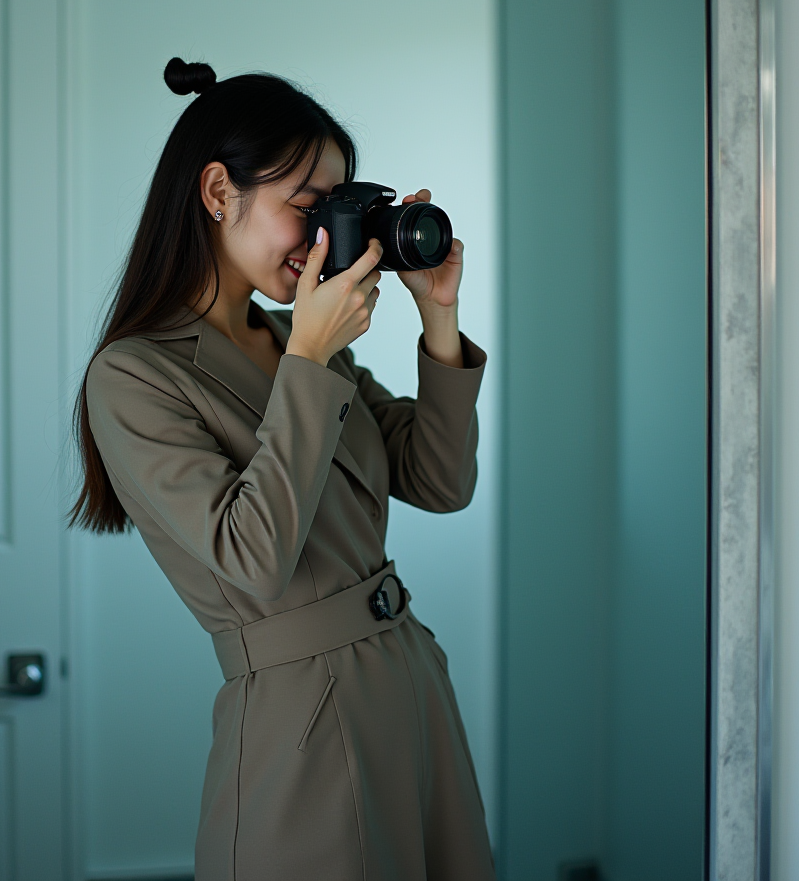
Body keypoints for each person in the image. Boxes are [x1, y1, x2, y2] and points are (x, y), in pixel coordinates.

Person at [70, 57, 495, 881]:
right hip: (303, 718)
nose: (323, 239)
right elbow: (253, 558)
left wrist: (438, 317)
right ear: (218, 192)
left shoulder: (293, 341)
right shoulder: (134, 375)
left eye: (336, 210)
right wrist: (309, 349)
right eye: (307, 209)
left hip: (409, 687)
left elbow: (441, 483)